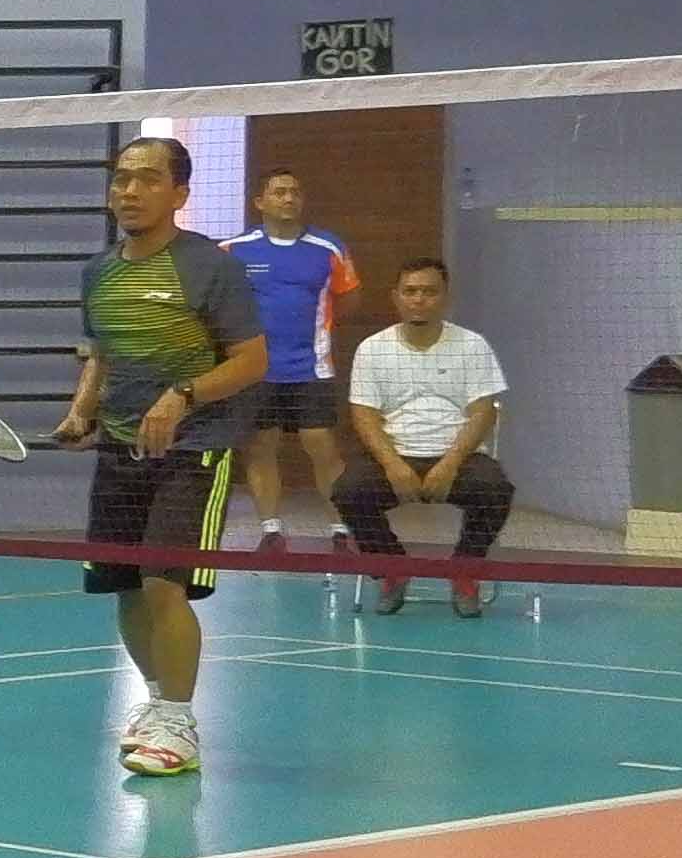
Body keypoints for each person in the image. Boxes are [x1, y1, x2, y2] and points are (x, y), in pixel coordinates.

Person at [55, 133, 264, 782]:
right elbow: (101, 354)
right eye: (121, 178)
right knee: (124, 587)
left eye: (147, 179)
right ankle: (156, 703)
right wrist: (82, 410)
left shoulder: (210, 267)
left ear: (179, 193)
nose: (129, 191)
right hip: (120, 447)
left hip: (194, 449)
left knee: (162, 584)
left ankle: (179, 721)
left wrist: (183, 395)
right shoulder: (99, 272)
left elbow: (252, 361)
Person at [331, 258, 514, 614]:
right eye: (410, 291)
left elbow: (483, 412)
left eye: (429, 292)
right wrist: (394, 466)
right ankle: (393, 568)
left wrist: (449, 465)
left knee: (496, 490)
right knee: (348, 491)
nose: (419, 299)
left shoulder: (473, 345)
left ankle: (464, 571)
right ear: (396, 297)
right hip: (395, 455)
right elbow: (364, 415)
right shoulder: (372, 348)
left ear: (446, 297)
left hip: (458, 457)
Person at [225, 166, 363, 540]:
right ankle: (271, 529)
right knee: (261, 446)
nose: (289, 198)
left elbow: (348, 298)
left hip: (310, 368)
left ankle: (341, 528)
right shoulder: (234, 250)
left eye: (295, 192)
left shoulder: (328, 247)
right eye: (280, 191)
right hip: (256, 370)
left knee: (322, 445)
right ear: (260, 202)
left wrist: (318, 327)